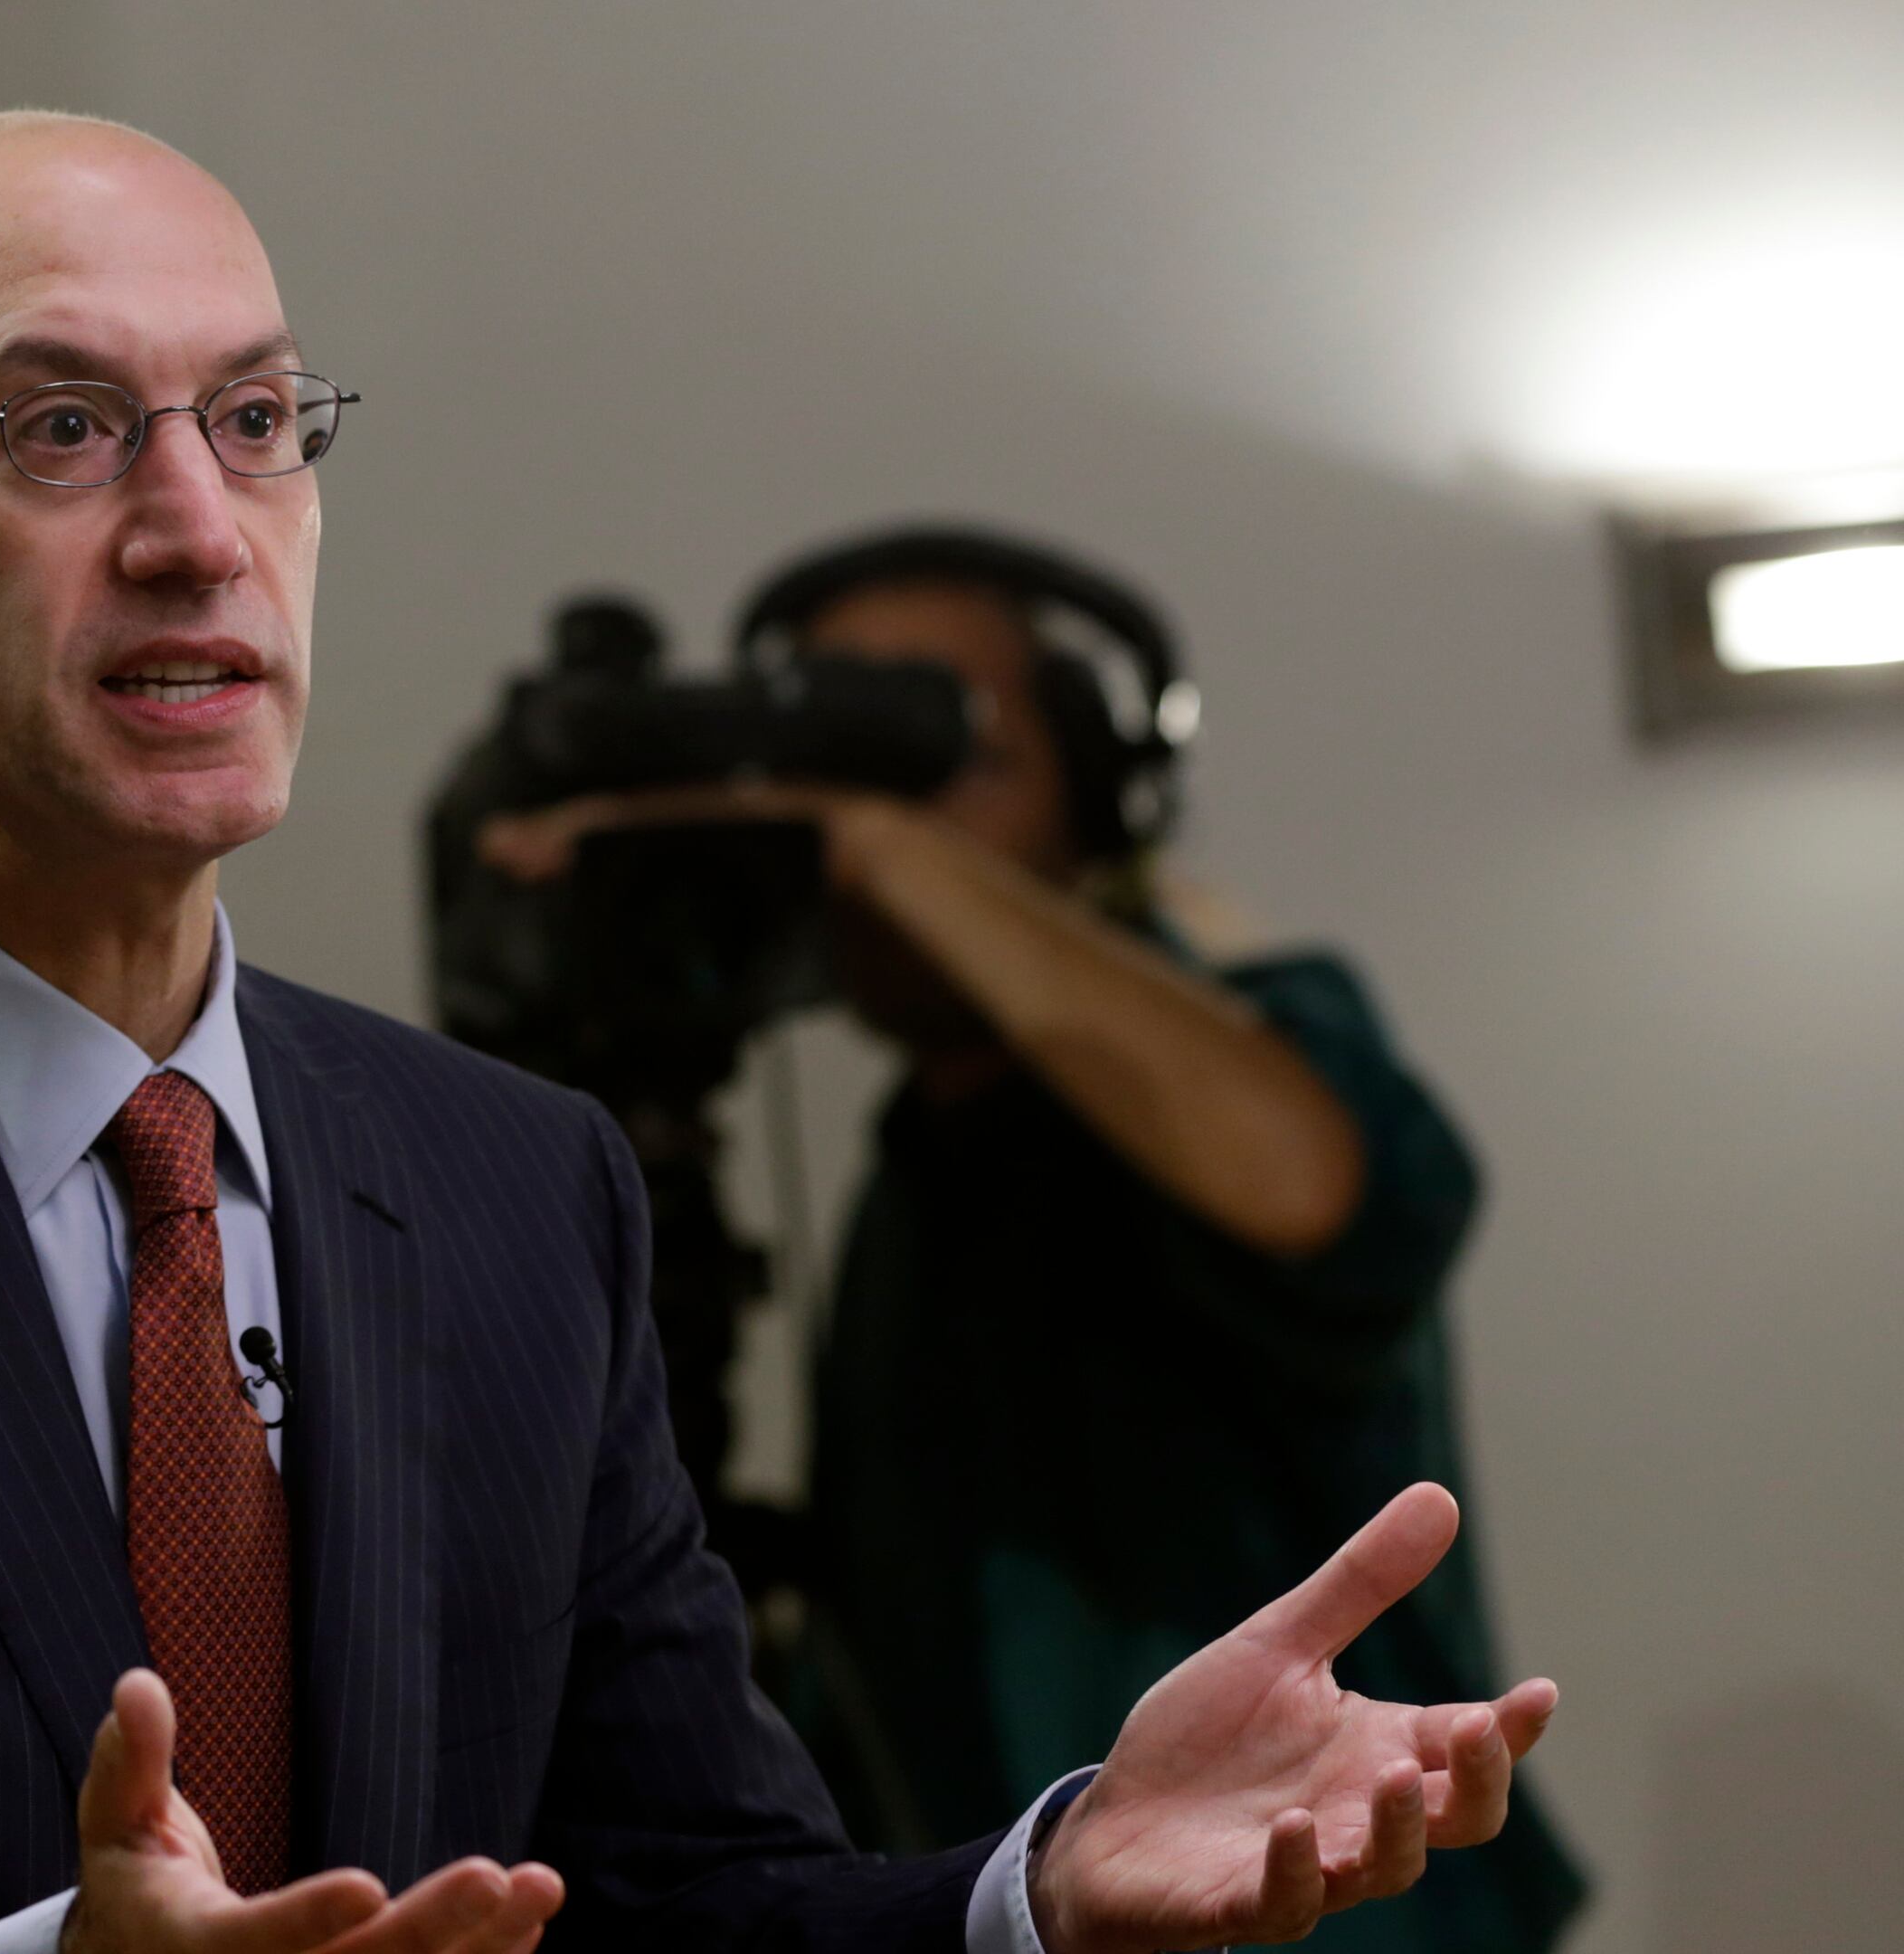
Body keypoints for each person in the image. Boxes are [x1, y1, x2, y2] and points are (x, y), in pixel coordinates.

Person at [0, 114, 1557, 1954]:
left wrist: (1038, 1888)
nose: (198, 531)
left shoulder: (516, 1186)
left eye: (255, 422)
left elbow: (692, 1902)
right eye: (62, 428)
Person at [482, 528, 1584, 1953]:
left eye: (950, 755)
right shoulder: (914, 1174)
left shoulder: (1268, 1029)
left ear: (1101, 796)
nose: (875, 824)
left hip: (1333, 1908)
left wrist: (877, 840)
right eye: (836, 767)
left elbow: (1328, 1194)